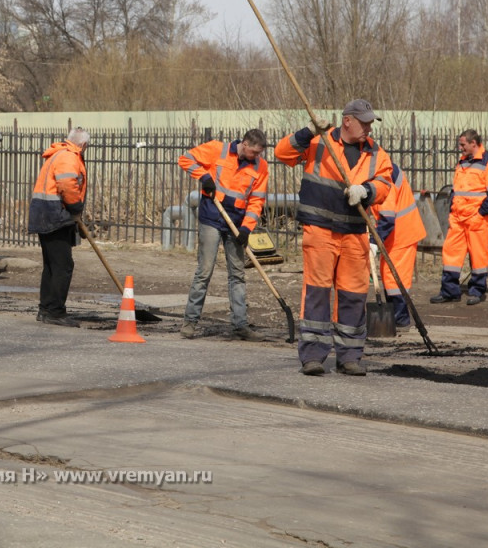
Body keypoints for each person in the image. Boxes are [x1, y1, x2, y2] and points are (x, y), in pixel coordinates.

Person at [275, 99, 393, 376]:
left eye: (371, 123)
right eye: (364, 122)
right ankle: (313, 356)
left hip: (354, 232)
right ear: (347, 121)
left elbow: (385, 183)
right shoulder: (319, 141)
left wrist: (366, 191)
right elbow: (282, 154)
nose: (369, 128)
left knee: (353, 294)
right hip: (320, 229)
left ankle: (350, 356)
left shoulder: (376, 153)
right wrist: (307, 131)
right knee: (317, 292)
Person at [177, 129, 269, 341]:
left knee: (237, 274)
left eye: (260, 153)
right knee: (204, 271)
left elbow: (257, 201)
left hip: (236, 223)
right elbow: (185, 159)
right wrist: (204, 176)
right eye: (255, 152)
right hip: (212, 216)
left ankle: (240, 325)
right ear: (244, 144)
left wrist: (246, 228)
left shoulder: (261, 166)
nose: (257, 156)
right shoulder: (217, 150)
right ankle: (190, 322)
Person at [431, 129, 488, 306]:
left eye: (463, 144)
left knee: (478, 257)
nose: (460, 147)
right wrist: (453, 211)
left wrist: (480, 215)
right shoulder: (463, 161)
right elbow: (458, 191)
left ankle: (477, 291)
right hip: (458, 218)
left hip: (477, 219)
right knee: (450, 255)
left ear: (474, 143)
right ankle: (449, 291)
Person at [27, 127, 90, 327]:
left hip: (46, 214)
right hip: (54, 216)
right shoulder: (69, 157)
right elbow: (68, 185)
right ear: (83, 145)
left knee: (52, 266)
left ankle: (46, 309)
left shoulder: (59, 153)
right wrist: (75, 206)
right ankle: (55, 312)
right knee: (63, 266)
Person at [370, 162, 426, 328]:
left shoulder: (384, 175)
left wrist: (374, 242)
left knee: (394, 279)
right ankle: (396, 318)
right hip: (396, 234)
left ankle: (400, 318)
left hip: (402, 234)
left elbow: (387, 217)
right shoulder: (381, 168)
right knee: (389, 275)